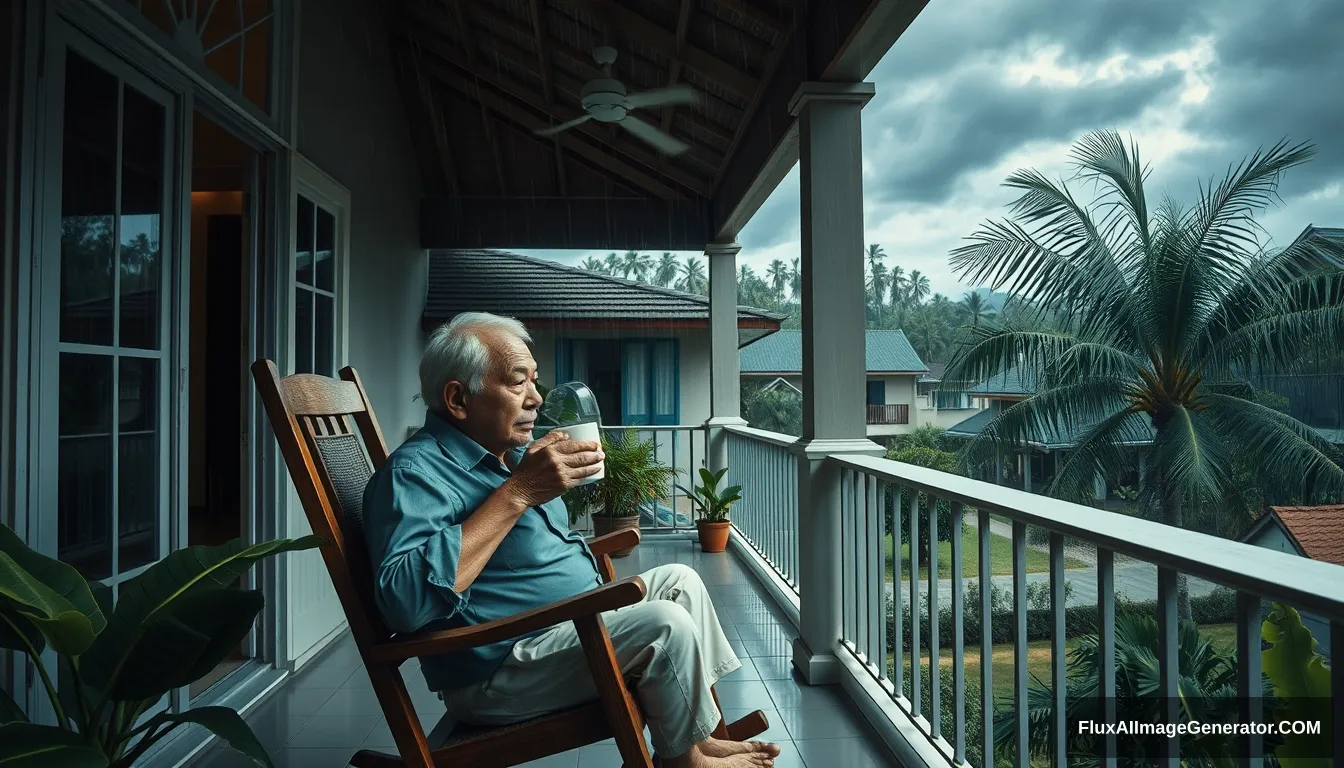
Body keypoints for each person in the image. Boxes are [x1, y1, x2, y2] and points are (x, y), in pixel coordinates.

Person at [362, 312, 780, 768]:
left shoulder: (508, 456)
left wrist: (538, 479)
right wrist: (518, 494)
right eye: (517, 383)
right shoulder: (414, 475)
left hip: (565, 629)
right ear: (459, 399)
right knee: (664, 623)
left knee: (682, 581)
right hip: (501, 667)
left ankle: (699, 737)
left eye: (534, 381)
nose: (536, 399)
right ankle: (685, 762)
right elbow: (401, 602)